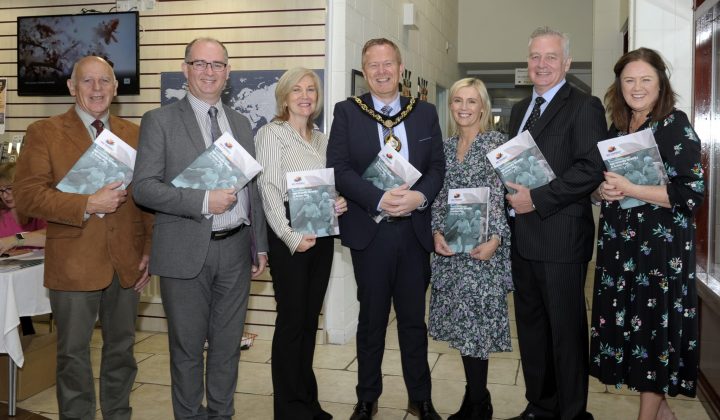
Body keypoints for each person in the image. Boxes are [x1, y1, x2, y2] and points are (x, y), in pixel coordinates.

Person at [132, 37, 268, 419]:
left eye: (217, 65)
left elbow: (252, 188)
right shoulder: (159, 121)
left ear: (228, 73)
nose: (209, 72)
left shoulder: (241, 124)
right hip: (184, 249)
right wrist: (203, 201)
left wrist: (260, 245)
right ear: (186, 69)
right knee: (187, 350)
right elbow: (144, 188)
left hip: (237, 249)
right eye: (201, 64)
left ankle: (222, 414)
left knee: (227, 348)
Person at [13, 55, 153, 420]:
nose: (96, 89)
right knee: (73, 354)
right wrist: (87, 203)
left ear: (116, 87)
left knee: (121, 351)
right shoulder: (44, 132)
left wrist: (150, 251)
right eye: (87, 82)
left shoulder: (135, 134)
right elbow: (27, 196)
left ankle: (118, 414)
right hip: (72, 264)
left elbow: (148, 199)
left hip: (126, 262)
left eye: (104, 81)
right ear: (72, 88)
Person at [327, 38, 445, 420]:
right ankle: (367, 398)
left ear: (400, 66)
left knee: (413, 321)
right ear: (365, 70)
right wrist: (378, 198)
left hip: (413, 233)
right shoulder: (347, 112)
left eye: (388, 63)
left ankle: (421, 398)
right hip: (370, 232)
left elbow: (437, 169)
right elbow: (340, 169)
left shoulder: (424, 113)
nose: (381, 71)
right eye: (373, 65)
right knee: (371, 321)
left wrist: (418, 198)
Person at [590, 47, 705, 420]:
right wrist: (603, 191)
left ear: (660, 84)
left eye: (645, 80)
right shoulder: (619, 128)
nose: (637, 87)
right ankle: (663, 415)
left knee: (652, 334)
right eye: (629, 80)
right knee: (636, 338)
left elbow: (691, 193)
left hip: (659, 254)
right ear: (618, 85)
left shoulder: (674, 124)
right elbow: (605, 183)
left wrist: (631, 188)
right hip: (621, 251)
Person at [505, 27, 606, 420]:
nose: (541, 64)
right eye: (534, 57)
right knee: (531, 330)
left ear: (566, 63)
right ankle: (540, 405)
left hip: (561, 239)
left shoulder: (585, 106)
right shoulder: (519, 110)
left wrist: (538, 198)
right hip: (522, 238)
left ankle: (571, 413)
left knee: (566, 333)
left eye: (550, 57)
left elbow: (591, 168)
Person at [254, 67, 348, 420]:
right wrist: (292, 237)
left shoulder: (323, 140)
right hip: (290, 238)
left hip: (322, 237)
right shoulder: (271, 134)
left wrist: (340, 202)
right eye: (297, 90)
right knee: (292, 322)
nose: (305, 96)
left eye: (311, 89)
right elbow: (269, 190)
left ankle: (307, 400)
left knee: (310, 321)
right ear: (284, 96)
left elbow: (333, 187)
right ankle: (289, 407)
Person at [429, 77, 512, 420]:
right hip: (450, 256)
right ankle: (476, 398)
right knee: (463, 330)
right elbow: (435, 198)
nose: (464, 107)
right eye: (458, 101)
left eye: (471, 101)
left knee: (477, 331)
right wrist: (435, 232)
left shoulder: (498, 144)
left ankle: (478, 404)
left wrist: (496, 239)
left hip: (483, 255)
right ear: (451, 106)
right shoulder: (443, 149)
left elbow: (512, 198)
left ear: (483, 107)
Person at [0, 162, 47, 335]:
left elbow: (50, 236)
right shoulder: (3, 215)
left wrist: (17, 240)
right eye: (1, 190)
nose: (6, 195)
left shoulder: (38, 212)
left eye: (10, 188)